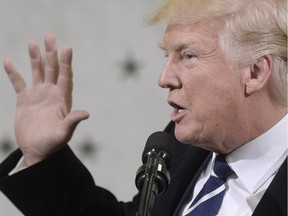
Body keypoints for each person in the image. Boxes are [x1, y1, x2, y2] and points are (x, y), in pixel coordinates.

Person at [0, 0, 287, 215]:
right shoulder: (183, 146)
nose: (164, 79)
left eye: (188, 55)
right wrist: (43, 157)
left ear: (254, 73)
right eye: (166, 55)